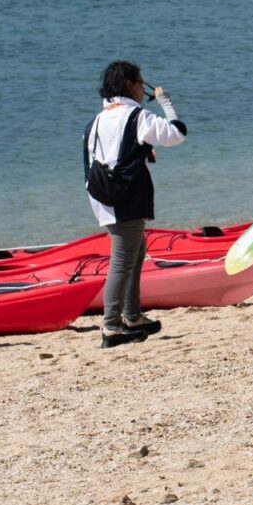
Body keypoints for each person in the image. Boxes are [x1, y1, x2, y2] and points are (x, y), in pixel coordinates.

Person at [83, 61, 186, 348]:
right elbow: (177, 134)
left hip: (101, 195)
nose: (144, 88)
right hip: (123, 197)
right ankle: (112, 326)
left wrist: (142, 151)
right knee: (122, 260)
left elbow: (103, 156)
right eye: (142, 83)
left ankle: (131, 314)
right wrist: (165, 102)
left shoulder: (97, 120)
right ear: (130, 84)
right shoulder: (136, 115)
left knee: (135, 251)